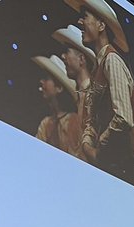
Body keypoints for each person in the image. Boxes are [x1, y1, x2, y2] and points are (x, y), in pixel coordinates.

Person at [70, 0, 134, 179]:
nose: (80, 22)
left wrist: (98, 149)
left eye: (85, 17)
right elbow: (93, 117)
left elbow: (124, 118)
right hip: (114, 163)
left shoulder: (112, 61)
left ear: (101, 25)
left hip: (124, 165)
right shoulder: (100, 66)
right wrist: (87, 143)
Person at [51, 24, 95, 163]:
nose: (63, 56)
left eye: (67, 52)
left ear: (81, 59)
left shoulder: (92, 94)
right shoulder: (81, 95)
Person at [30, 54, 81, 157]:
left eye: (46, 78)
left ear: (59, 88)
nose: (41, 81)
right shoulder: (45, 124)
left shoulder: (74, 121)